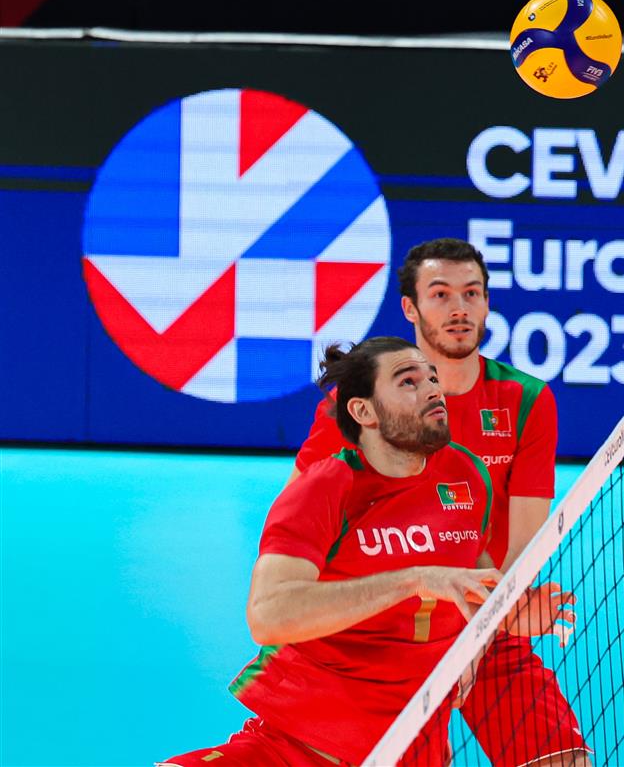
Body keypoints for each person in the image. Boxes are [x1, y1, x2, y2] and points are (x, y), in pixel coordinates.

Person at [292, 238, 590, 767]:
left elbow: (520, 551)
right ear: (410, 308)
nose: (459, 308)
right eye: (440, 294)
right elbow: (303, 524)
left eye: (471, 293)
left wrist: (477, 635)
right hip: (379, 632)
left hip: (483, 617)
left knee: (563, 761)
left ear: (487, 302)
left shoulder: (525, 401)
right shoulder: (360, 403)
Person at [159, 337, 503, 766]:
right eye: (408, 381)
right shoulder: (326, 487)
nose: (433, 389)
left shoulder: (466, 474)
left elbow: (477, 581)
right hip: (296, 748)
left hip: (409, 750)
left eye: (432, 378)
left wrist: (503, 621)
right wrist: (414, 580)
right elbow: (268, 614)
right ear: (363, 411)